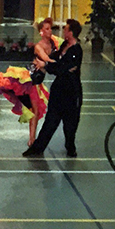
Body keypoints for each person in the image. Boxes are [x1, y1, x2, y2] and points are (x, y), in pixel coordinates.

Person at [23, 19, 83, 158]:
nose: (64, 31)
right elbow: (56, 61)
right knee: (50, 121)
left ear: (71, 33)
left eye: (66, 29)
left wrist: (47, 65)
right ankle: (37, 148)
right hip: (58, 90)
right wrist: (45, 63)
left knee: (70, 125)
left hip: (71, 93)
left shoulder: (76, 51)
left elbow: (62, 68)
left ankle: (70, 147)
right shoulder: (64, 45)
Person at [0, 18, 59, 146]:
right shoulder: (38, 47)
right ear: (41, 32)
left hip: (38, 81)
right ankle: (32, 140)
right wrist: (60, 62)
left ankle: (32, 139)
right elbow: (47, 60)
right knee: (34, 110)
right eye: (46, 29)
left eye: (50, 28)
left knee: (34, 110)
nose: (50, 31)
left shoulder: (53, 42)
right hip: (30, 80)